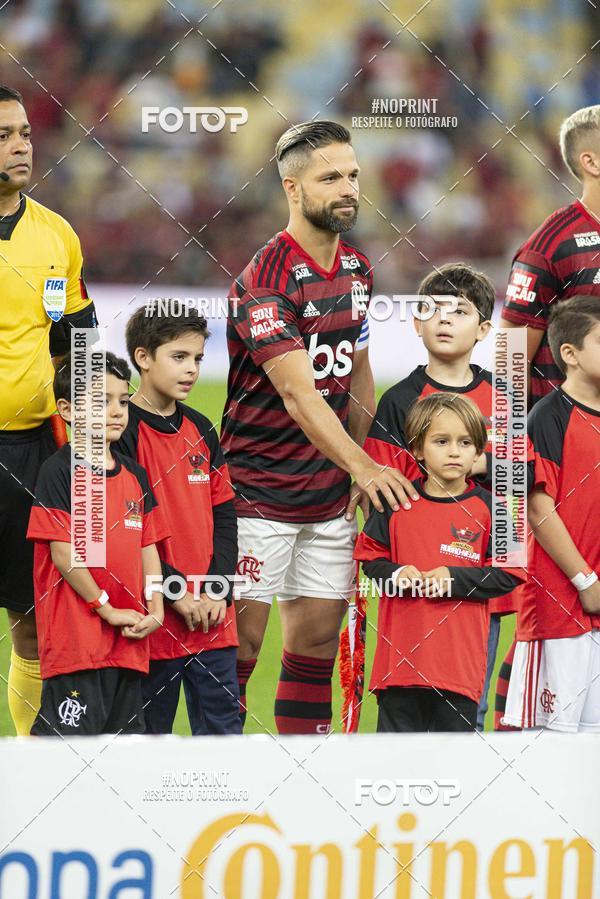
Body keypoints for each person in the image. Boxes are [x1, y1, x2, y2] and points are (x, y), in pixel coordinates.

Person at [220, 120, 417, 734]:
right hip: (257, 494)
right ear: (292, 188)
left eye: (353, 175)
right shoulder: (264, 280)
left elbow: (357, 373)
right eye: (329, 177)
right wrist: (365, 466)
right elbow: (300, 396)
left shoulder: (358, 268)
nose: (347, 188)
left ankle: (303, 777)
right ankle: (208, 777)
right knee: (241, 646)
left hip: (328, 499)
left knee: (313, 648)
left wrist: (357, 463)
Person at [363, 262, 514, 730]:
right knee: (401, 715)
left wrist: (482, 465)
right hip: (410, 592)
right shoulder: (398, 400)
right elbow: (381, 493)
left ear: (484, 328)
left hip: (475, 580)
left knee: (470, 706)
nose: (445, 319)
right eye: (434, 309)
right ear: (416, 321)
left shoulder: (504, 396)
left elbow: (521, 478)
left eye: (460, 311)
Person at [0, 85, 97, 734]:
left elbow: (78, 342)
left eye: (25, 134)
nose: (21, 146)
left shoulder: (55, 236)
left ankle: (27, 774)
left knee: (33, 620)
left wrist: (90, 434)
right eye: (5, 136)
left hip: (34, 452)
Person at [355, 393, 525, 733]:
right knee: (395, 768)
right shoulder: (395, 501)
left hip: (458, 673)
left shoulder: (494, 510)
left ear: (479, 451)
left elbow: (511, 572)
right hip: (398, 671)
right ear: (418, 449)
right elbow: (370, 558)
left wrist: (453, 578)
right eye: (441, 441)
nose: (454, 451)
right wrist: (398, 573)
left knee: (452, 771)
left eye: (465, 443)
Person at [114, 302, 241, 735]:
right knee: (150, 742)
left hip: (211, 617)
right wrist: (173, 591)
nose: (191, 370)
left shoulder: (203, 429)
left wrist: (218, 589)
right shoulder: (123, 430)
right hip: (152, 616)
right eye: (179, 357)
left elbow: (225, 516)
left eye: (198, 359)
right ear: (143, 358)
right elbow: (125, 531)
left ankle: (226, 808)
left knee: (223, 736)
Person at [26, 353, 167, 735]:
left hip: (129, 644)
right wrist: (106, 610)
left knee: (120, 760)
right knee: (63, 757)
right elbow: (64, 553)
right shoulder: (58, 471)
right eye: (101, 400)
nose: (116, 411)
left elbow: (147, 547)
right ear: (68, 410)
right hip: (79, 646)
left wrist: (155, 606)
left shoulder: (135, 475)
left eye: (122, 400)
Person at [503, 296, 600, 732]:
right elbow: (537, 508)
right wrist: (585, 580)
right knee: (547, 749)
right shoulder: (548, 417)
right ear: (570, 354)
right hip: (562, 606)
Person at [500, 105, 600, 406]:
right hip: (565, 441)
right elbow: (510, 360)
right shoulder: (551, 245)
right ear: (592, 162)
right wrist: (509, 449)